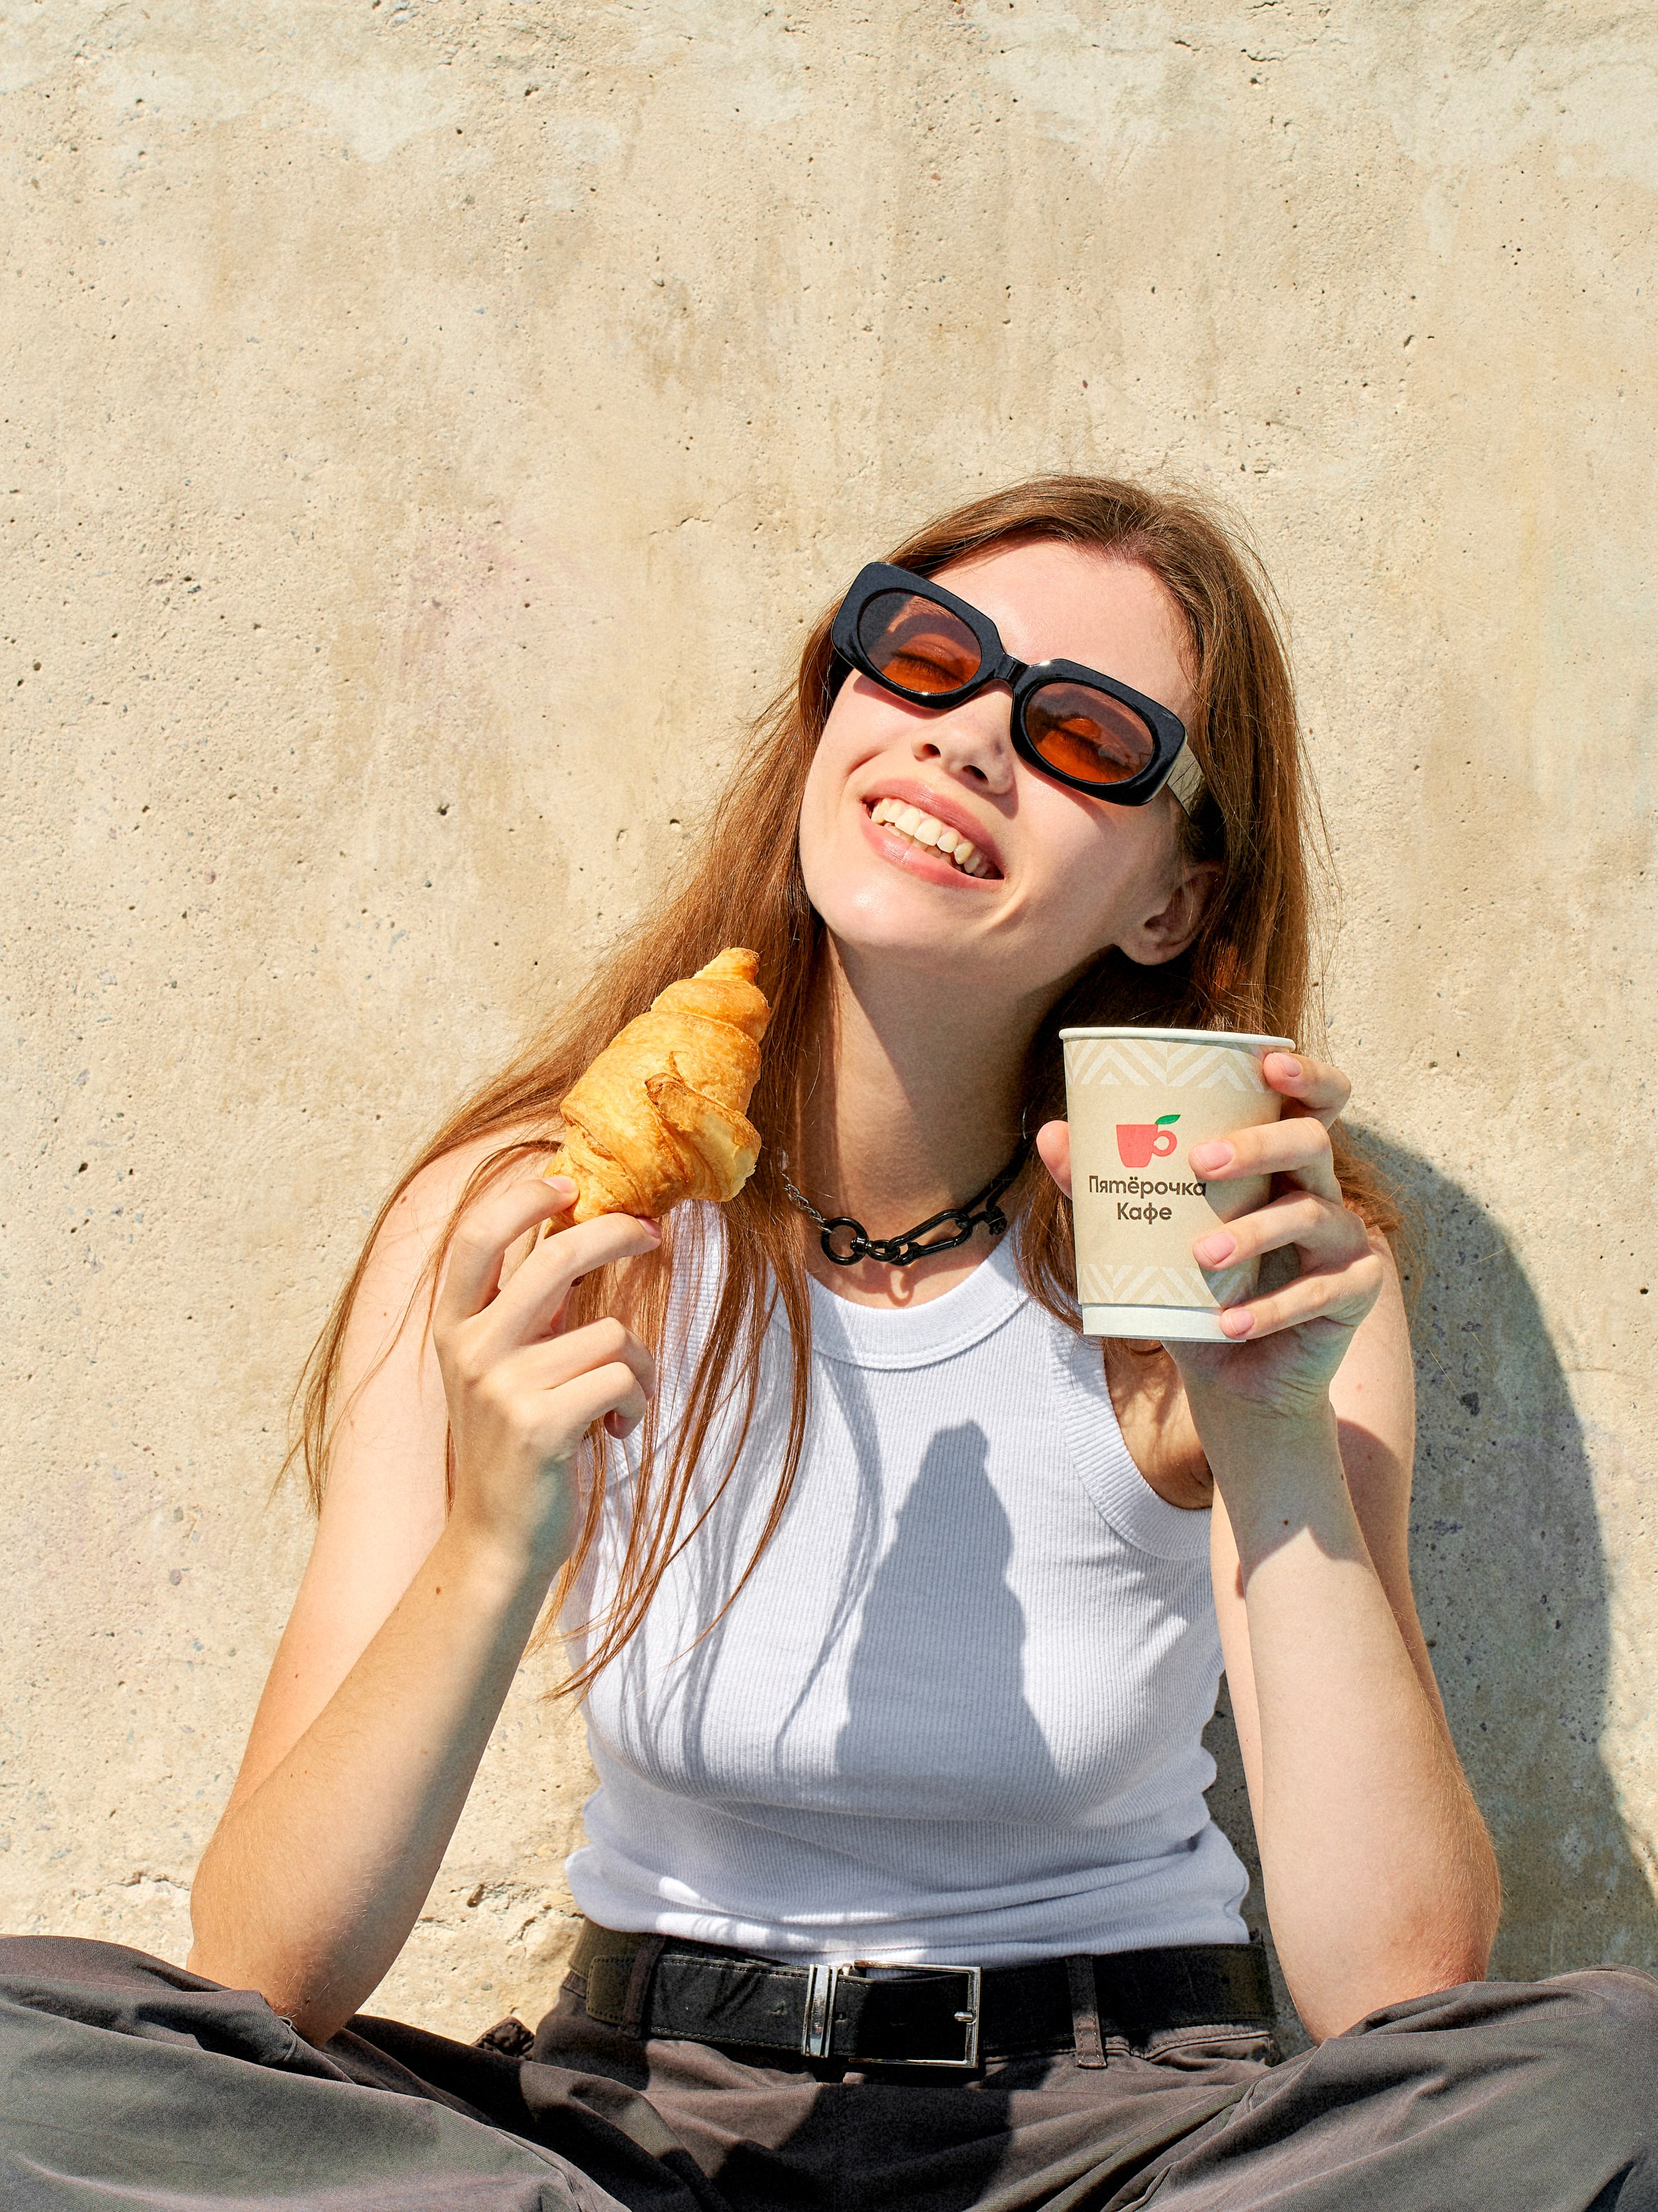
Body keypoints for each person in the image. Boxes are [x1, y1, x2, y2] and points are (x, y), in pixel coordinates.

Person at [4, 477, 1655, 2212]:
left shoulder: (1251, 1267)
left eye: (1084, 732)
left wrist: (1267, 1442)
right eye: (925, 655)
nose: (965, 740)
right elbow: (265, 1966)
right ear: (837, 699)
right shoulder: (535, 1223)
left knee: (1607, 2075)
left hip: (1125, 2140)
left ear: (1168, 899)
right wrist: (496, 1536)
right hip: (624, 2136)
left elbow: (1398, 1987)